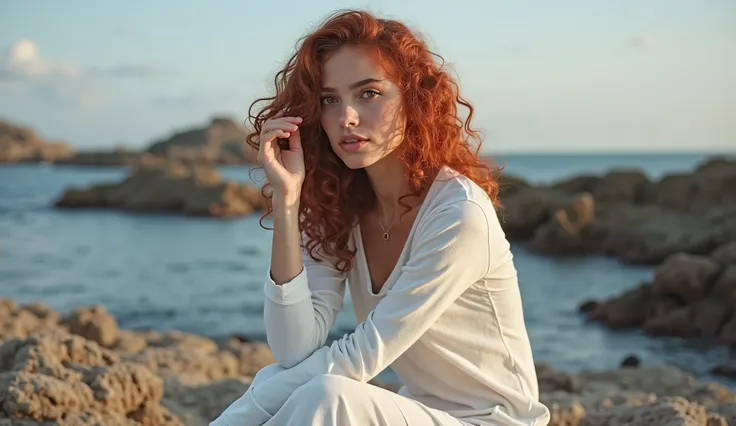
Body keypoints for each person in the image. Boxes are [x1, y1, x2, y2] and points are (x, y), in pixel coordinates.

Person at [211, 8, 550, 426]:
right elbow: (293, 348)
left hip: (491, 423)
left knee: (329, 395)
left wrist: (238, 417)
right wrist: (287, 202)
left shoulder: (458, 215)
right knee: (292, 379)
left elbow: (360, 358)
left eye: (368, 93)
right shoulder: (344, 206)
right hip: (423, 412)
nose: (345, 117)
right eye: (329, 100)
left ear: (414, 98)